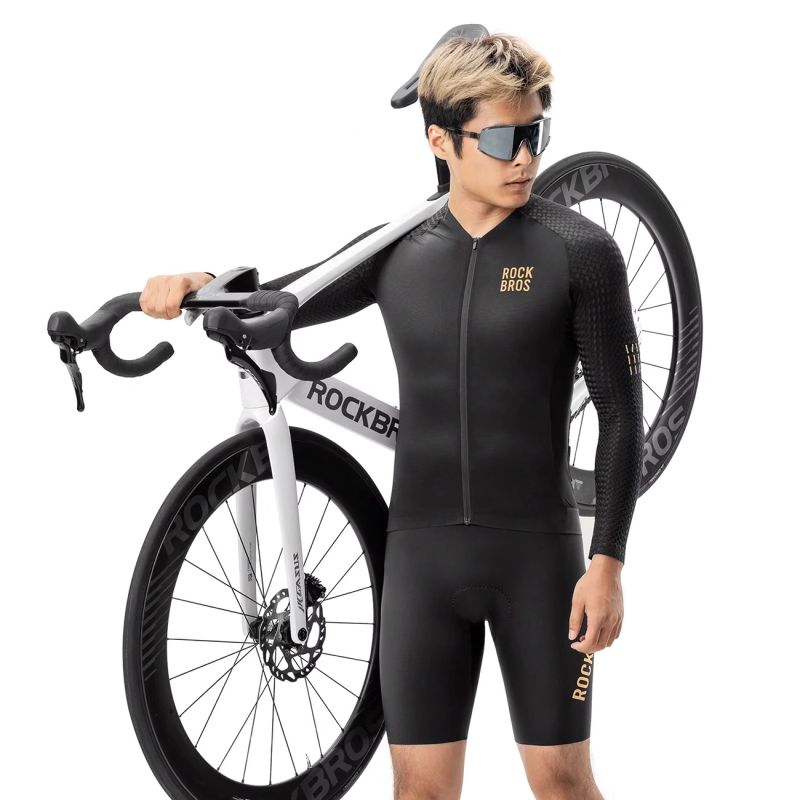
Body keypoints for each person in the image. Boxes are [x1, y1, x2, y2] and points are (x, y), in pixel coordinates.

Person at [140, 32, 643, 800]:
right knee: (419, 791)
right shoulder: (396, 250)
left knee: (562, 782)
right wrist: (200, 284)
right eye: (502, 139)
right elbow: (286, 299)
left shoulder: (579, 250)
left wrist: (606, 564)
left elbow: (621, 416)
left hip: (538, 559)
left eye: (536, 133)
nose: (525, 159)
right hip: (420, 563)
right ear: (441, 141)